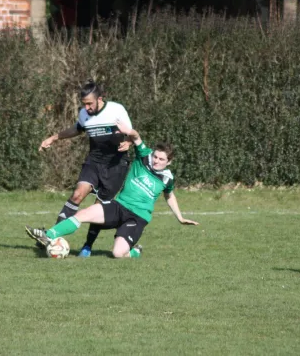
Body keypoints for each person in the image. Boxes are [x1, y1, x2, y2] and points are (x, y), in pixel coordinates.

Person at [27, 120, 200, 258]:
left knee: (117, 253)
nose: (156, 161)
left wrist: (180, 217)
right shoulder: (145, 156)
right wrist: (129, 131)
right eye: (156, 156)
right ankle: (48, 234)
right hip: (120, 206)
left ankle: (135, 251)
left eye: (161, 159)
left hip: (138, 217)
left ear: (169, 162)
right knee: (84, 214)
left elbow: (169, 195)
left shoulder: (167, 178)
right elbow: (137, 137)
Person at [38, 79, 132, 257]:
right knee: (77, 194)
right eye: (84, 104)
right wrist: (53, 138)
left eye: (90, 103)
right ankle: (51, 237)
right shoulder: (84, 114)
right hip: (94, 161)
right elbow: (76, 129)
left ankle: (88, 245)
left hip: (116, 165)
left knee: (98, 208)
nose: (87, 108)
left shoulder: (116, 109)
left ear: (100, 98)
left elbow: (131, 133)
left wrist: (128, 141)